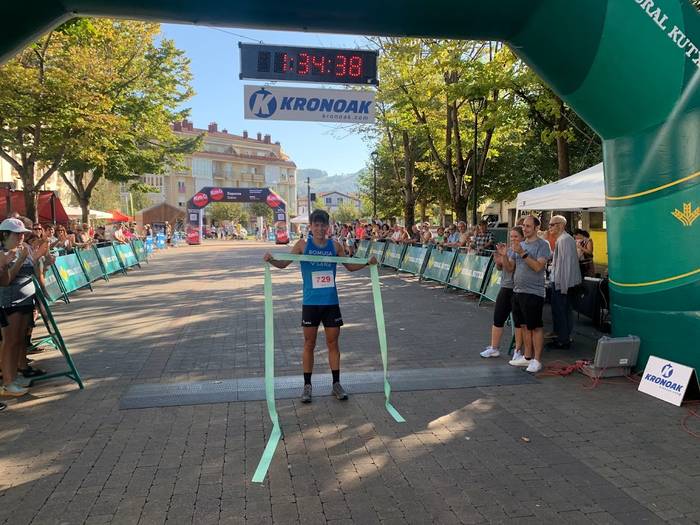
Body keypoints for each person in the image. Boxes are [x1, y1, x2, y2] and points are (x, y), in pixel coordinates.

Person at [263, 209, 378, 404]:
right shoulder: (302, 244)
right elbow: (284, 264)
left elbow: (349, 266)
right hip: (310, 303)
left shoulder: (335, 245)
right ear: (310, 226)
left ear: (328, 227)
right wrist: (271, 259)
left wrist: (367, 263)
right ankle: (307, 386)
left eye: (323, 225)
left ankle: (336, 384)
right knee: (309, 344)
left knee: (333, 344)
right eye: (316, 225)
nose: (319, 228)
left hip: (331, 302)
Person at [0, 218, 50, 397]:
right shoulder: (3, 253)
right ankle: (7, 382)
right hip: (10, 302)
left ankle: (13, 377)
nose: (21, 237)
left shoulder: (25, 249)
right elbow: (6, 281)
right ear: (5, 235)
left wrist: (43, 258)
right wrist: (19, 260)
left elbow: (36, 269)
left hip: (26, 301)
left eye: (22, 234)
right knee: (10, 342)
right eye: (17, 234)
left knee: (19, 341)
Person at [505, 215, 551, 373]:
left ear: (537, 228)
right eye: (523, 226)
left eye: (528, 226)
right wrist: (503, 256)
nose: (524, 228)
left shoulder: (542, 244)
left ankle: (537, 360)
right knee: (523, 325)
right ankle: (527, 357)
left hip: (534, 292)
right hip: (518, 290)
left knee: (535, 326)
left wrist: (523, 253)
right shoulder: (520, 244)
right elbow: (510, 268)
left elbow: (538, 267)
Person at [480, 226, 524, 358]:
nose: (513, 239)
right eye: (511, 236)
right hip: (505, 286)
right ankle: (494, 347)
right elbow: (502, 268)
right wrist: (498, 261)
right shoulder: (509, 250)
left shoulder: (520, 251)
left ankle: (518, 350)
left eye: (516, 236)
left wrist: (503, 257)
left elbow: (510, 268)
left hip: (516, 288)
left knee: (518, 321)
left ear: (522, 237)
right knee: (498, 318)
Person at [547, 216, 582, 350]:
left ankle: (563, 339)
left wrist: (563, 286)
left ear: (561, 225)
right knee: (561, 311)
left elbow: (566, 265)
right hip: (560, 282)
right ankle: (562, 337)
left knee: (562, 311)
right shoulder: (563, 239)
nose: (549, 227)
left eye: (552, 225)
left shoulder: (565, 240)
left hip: (562, 283)